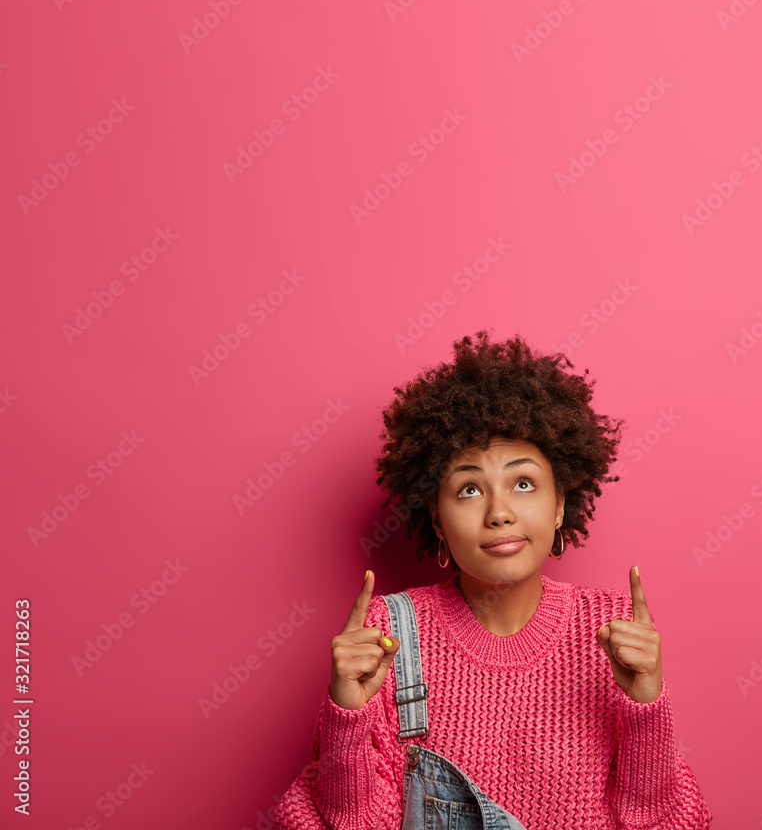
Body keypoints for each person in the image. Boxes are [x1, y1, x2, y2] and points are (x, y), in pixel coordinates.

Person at [274, 330, 712, 829]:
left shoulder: (612, 633)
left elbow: (656, 821)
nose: (499, 513)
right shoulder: (390, 635)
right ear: (437, 520)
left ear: (560, 505)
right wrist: (346, 714)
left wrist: (646, 706)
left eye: (523, 484)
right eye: (467, 490)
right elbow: (347, 822)